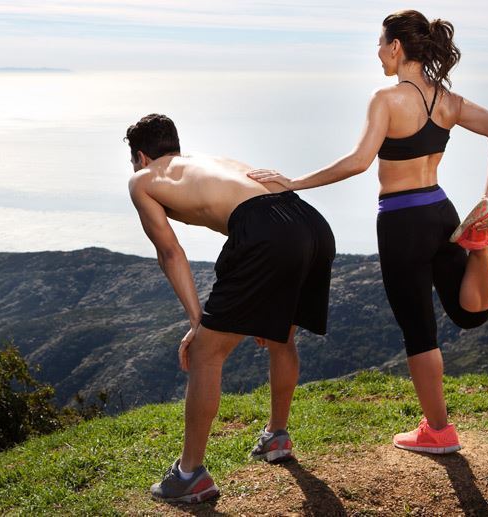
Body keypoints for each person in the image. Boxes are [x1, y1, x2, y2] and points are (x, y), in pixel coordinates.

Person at [248, 9, 488, 455]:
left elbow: (357, 161)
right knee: (470, 313)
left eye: (380, 44)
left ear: (395, 47)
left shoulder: (387, 99)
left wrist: (293, 183)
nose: (377, 53)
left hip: (401, 222)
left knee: (419, 330)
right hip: (441, 211)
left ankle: (439, 431)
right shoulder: (446, 100)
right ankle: (479, 247)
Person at [125, 113, 335, 503]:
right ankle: (277, 436)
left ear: (141, 156)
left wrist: (196, 321)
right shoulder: (209, 161)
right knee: (282, 334)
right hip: (311, 223)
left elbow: (170, 253)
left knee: (206, 351)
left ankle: (189, 475)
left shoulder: (143, 179)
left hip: (265, 231)